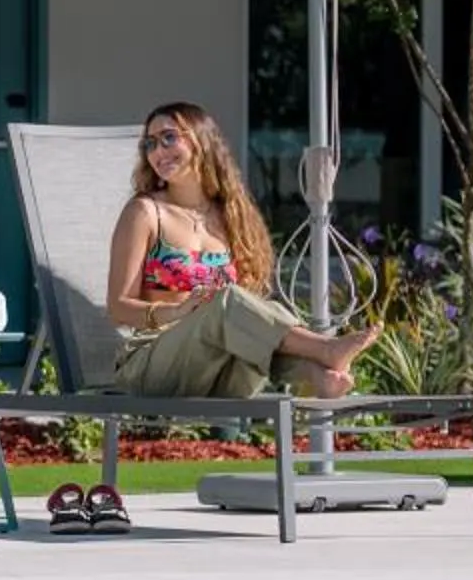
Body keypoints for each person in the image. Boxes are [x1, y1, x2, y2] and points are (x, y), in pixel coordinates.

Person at [103, 102, 380, 399]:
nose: (158, 150)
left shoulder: (230, 216)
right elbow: (118, 307)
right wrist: (176, 311)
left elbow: (248, 310)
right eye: (150, 143)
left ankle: (319, 375)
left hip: (218, 374)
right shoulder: (145, 212)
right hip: (151, 366)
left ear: (201, 140)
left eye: (169, 137)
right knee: (227, 302)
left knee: (258, 315)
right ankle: (324, 350)